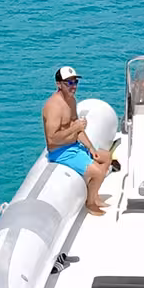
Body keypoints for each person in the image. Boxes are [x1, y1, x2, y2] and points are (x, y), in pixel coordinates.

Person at [42, 66, 114, 217]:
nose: (73, 86)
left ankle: (94, 195)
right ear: (58, 84)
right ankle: (90, 202)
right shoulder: (53, 107)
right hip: (60, 151)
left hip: (74, 145)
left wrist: (91, 148)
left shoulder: (71, 101)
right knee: (97, 172)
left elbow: (77, 128)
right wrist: (74, 128)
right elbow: (51, 139)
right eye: (68, 83)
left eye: (75, 82)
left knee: (106, 157)